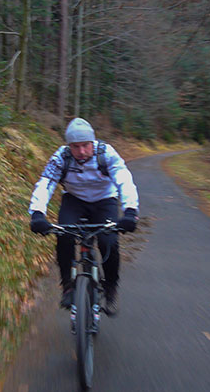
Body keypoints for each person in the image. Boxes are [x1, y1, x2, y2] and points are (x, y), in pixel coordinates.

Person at [29, 117, 139, 316]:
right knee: (64, 236)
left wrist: (130, 211)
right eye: (76, 146)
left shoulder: (106, 154)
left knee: (109, 241)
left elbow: (124, 179)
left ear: (93, 142)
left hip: (104, 200)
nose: (81, 152)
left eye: (86, 145)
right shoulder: (61, 157)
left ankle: (111, 288)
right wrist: (37, 213)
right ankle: (68, 286)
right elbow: (46, 183)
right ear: (68, 145)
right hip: (75, 200)